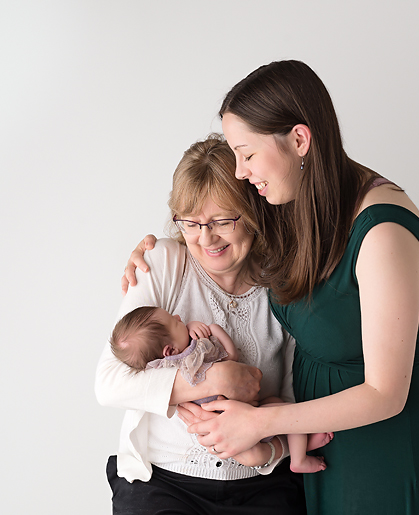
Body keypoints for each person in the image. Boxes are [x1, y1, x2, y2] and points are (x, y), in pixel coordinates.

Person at [123, 60, 419, 514]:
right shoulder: (294, 202)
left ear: (299, 140)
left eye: (247, 153)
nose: (240, 171)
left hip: (384, 451)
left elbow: (386, 393)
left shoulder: (382, 234)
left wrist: (260, 423)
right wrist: (158, 246)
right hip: (316, 450)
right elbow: (215, 225)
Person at [95, 134, 309, 515]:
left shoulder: (285, 282)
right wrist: (212, 382)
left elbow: (291, 400)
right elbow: (109, 384)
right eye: (191, 223)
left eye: (222, 221)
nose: (205, 238)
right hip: (164, 484)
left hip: (261, 484)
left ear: (254, 211)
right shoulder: (164, 263)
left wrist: (265, 450)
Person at [110, 305, 331, 473]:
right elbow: (232, 356)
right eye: (175, 322)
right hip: (240, 422)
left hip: (221, 431)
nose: (179, 318)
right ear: (169, 349)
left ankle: (297, 449)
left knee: (272, 424)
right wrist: (213, 329)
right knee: (286, 410)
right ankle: (299, 457)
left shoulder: (159, 370)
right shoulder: (196, 352)